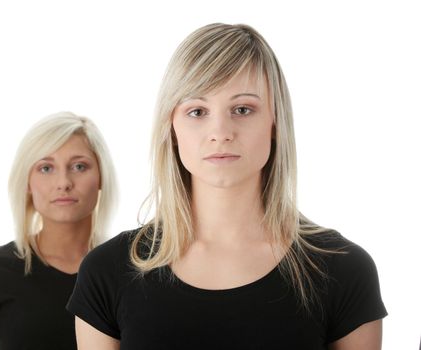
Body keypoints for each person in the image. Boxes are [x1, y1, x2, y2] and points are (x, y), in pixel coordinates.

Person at [67, 23, 387, 349]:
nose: (220, 131)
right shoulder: (107, 273)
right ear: (172, 127)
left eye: (243, 109)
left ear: (275, 122)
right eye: (197, 111)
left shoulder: (343, 271)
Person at [0, 111, 117, 350]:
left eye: (79, 166)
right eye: (46, 168)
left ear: (101, 177)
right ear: (27, 181)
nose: (63, 182)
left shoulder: (127, 270)